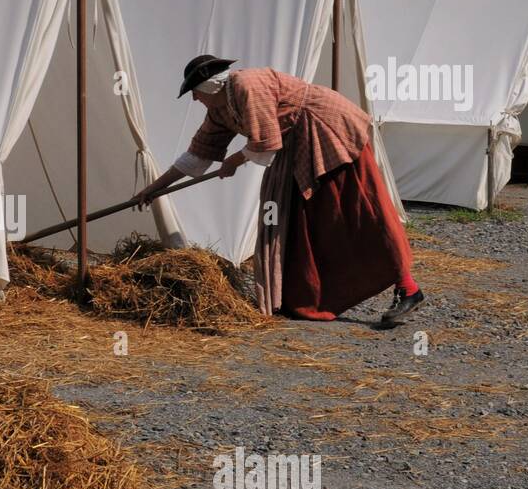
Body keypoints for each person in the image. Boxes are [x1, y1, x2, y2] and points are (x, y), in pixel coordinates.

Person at [136, 54, 424, 324]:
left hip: (329, 132)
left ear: (211, 86)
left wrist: (234, 161)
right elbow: (196, 157)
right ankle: (305, 294)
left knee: (355, 210)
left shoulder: (248, 85)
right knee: (298, 218)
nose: (195, 99)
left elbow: (266, 143)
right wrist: (154, 189)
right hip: (294, 145)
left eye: (195, 92)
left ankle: (408, 287)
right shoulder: (219, 111)